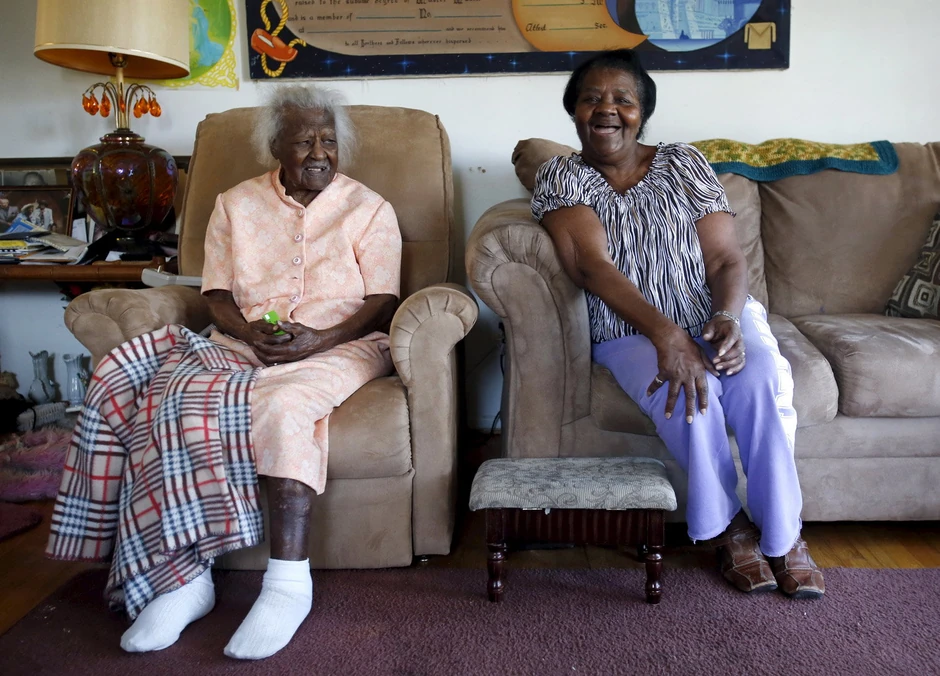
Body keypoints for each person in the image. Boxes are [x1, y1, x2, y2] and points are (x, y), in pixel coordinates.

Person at [46, 85, 402, 658]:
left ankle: (287, 586)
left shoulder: (369, 208)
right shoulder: (235, 203)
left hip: (344, 342)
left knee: (282, 405)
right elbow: (215, 295)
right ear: (275, 147)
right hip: (245, 341)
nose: (319, 153)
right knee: (174, 395)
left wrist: (320, 338)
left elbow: (383, 299)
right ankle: (185, 581)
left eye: (329, 141)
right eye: (304, 141)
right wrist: (247, 332)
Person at [531, 49, 824, 599]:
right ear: (573, 110)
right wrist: (666, 335)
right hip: (628, 329)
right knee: (691, 397)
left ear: (642, 112)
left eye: (623, 99)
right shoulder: (561, 175)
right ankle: (730, 531)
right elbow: (592, 267)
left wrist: (727, 317)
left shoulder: (683, 163)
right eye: (592, 98)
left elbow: (726, 259)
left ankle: (785, 536)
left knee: (759, 381)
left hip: (711, 310)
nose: (607, 109)